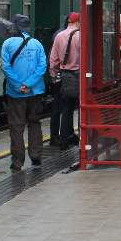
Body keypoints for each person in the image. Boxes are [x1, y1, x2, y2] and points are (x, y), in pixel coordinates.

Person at [1, 14, 48, 171]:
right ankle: (36, 156)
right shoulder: (37, 44)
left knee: (16, 126)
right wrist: (29, 83)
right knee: (34, 123)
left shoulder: (7, 43)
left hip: (16, 94)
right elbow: (42, 67)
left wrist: (18, 85)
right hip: (35, 91)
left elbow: (5, 67)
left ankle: (17, 162)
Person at [49, 11, 82, 147]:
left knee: (66, 108)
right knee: (81, 107)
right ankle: (80, 137)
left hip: (65, 75)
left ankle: (63, 140)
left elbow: (53, 60)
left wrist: (54, 75)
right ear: (78, 22)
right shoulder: (81, 36)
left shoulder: (59, 36)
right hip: (80, 76)